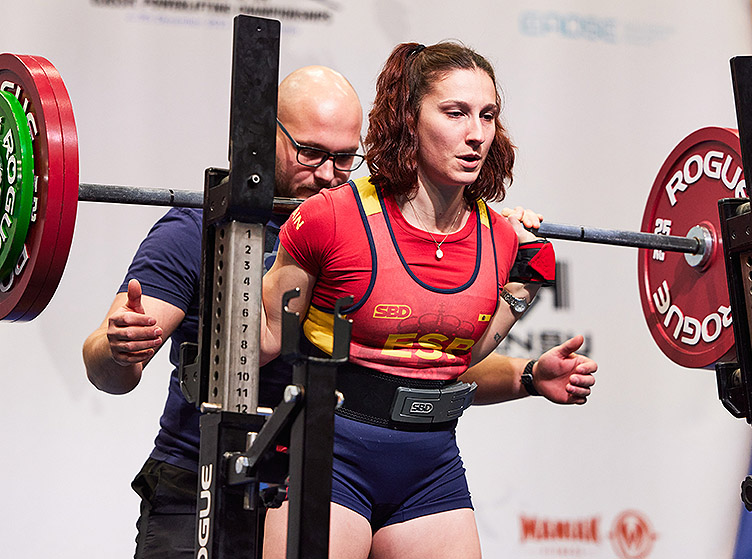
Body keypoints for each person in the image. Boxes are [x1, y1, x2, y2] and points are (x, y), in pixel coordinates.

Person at [83, 64, 595, 558]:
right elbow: (109, 370)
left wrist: (526, 373)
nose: (329, 174)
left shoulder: (360, 228)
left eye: (346, 158)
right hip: (201, 482)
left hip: (304, 473)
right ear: (263, 137)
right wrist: (121, 346)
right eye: (310, 153)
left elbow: (414, 371)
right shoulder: (194, 230)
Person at [258, 42, 595, 559]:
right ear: (409, 119)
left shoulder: (500, 237)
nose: (476, 133)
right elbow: (264, 340)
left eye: (487, 115)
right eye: (456, 113)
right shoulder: (330, 217)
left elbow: (466, 355)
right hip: (330, 459)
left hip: (429, 470)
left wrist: (529, 280)